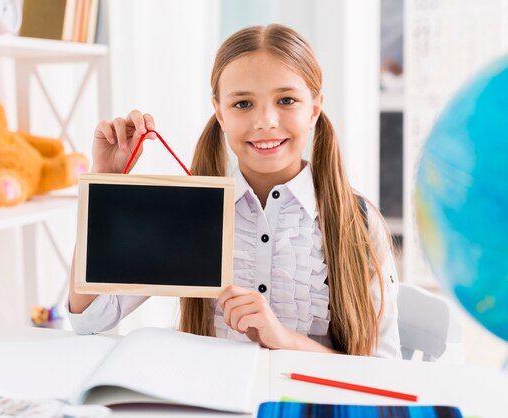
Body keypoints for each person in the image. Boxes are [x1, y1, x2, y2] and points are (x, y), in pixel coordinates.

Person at [68, 24, 401, 358]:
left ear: (314, 108)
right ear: (220, 113)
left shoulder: (356, 220)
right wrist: (105, 182)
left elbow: (383, 369)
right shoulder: (189, 210)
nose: (265, 121)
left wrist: (281, 338)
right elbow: (89, 317)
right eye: (243, 104)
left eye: (286, 100)